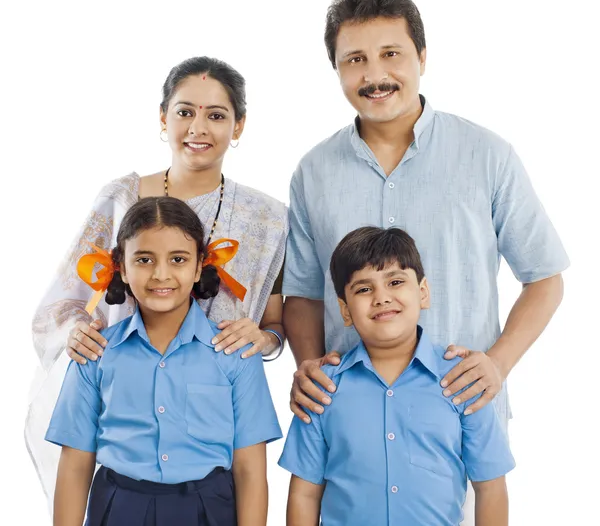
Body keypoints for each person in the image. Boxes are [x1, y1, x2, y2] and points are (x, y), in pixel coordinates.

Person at [282, 0, 568, 523]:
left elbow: (546, 277)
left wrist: (497, 365)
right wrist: (309, 369)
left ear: (422, 57)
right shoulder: (313, 171)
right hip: (349, 417)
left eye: (391, 53)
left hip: (458, 410)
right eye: (355, 60)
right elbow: (301, 291)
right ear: (337, 70)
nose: (374, 75)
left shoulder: (487, 155)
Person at [26, 56, 288, 502]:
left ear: (239, 126)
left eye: (216, 115)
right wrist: (78, 335)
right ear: (163, 118)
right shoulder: (121, 198)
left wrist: (263, 340)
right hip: (122, 399)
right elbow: (66, 300)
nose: (198, 128)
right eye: (185, 112)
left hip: (211, 422)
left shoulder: (268, 219)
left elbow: (276, 323)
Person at [46, 196, 282, 526]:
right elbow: (75, 464)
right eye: (144, 259)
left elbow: (250, 470)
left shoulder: (236, 355)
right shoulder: (95, 353)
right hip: (117, 510)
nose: (161, 274)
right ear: (122, 268)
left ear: (200, 265)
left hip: (209, 511)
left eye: (178, 259)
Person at [279, 226, 514, 526]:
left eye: (395, 281)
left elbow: (491, 487)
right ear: (345, 310)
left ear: (423, 292)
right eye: (364, 289)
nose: (381, 298)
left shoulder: (462, 380)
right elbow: (305, 495)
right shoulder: (322, 388)